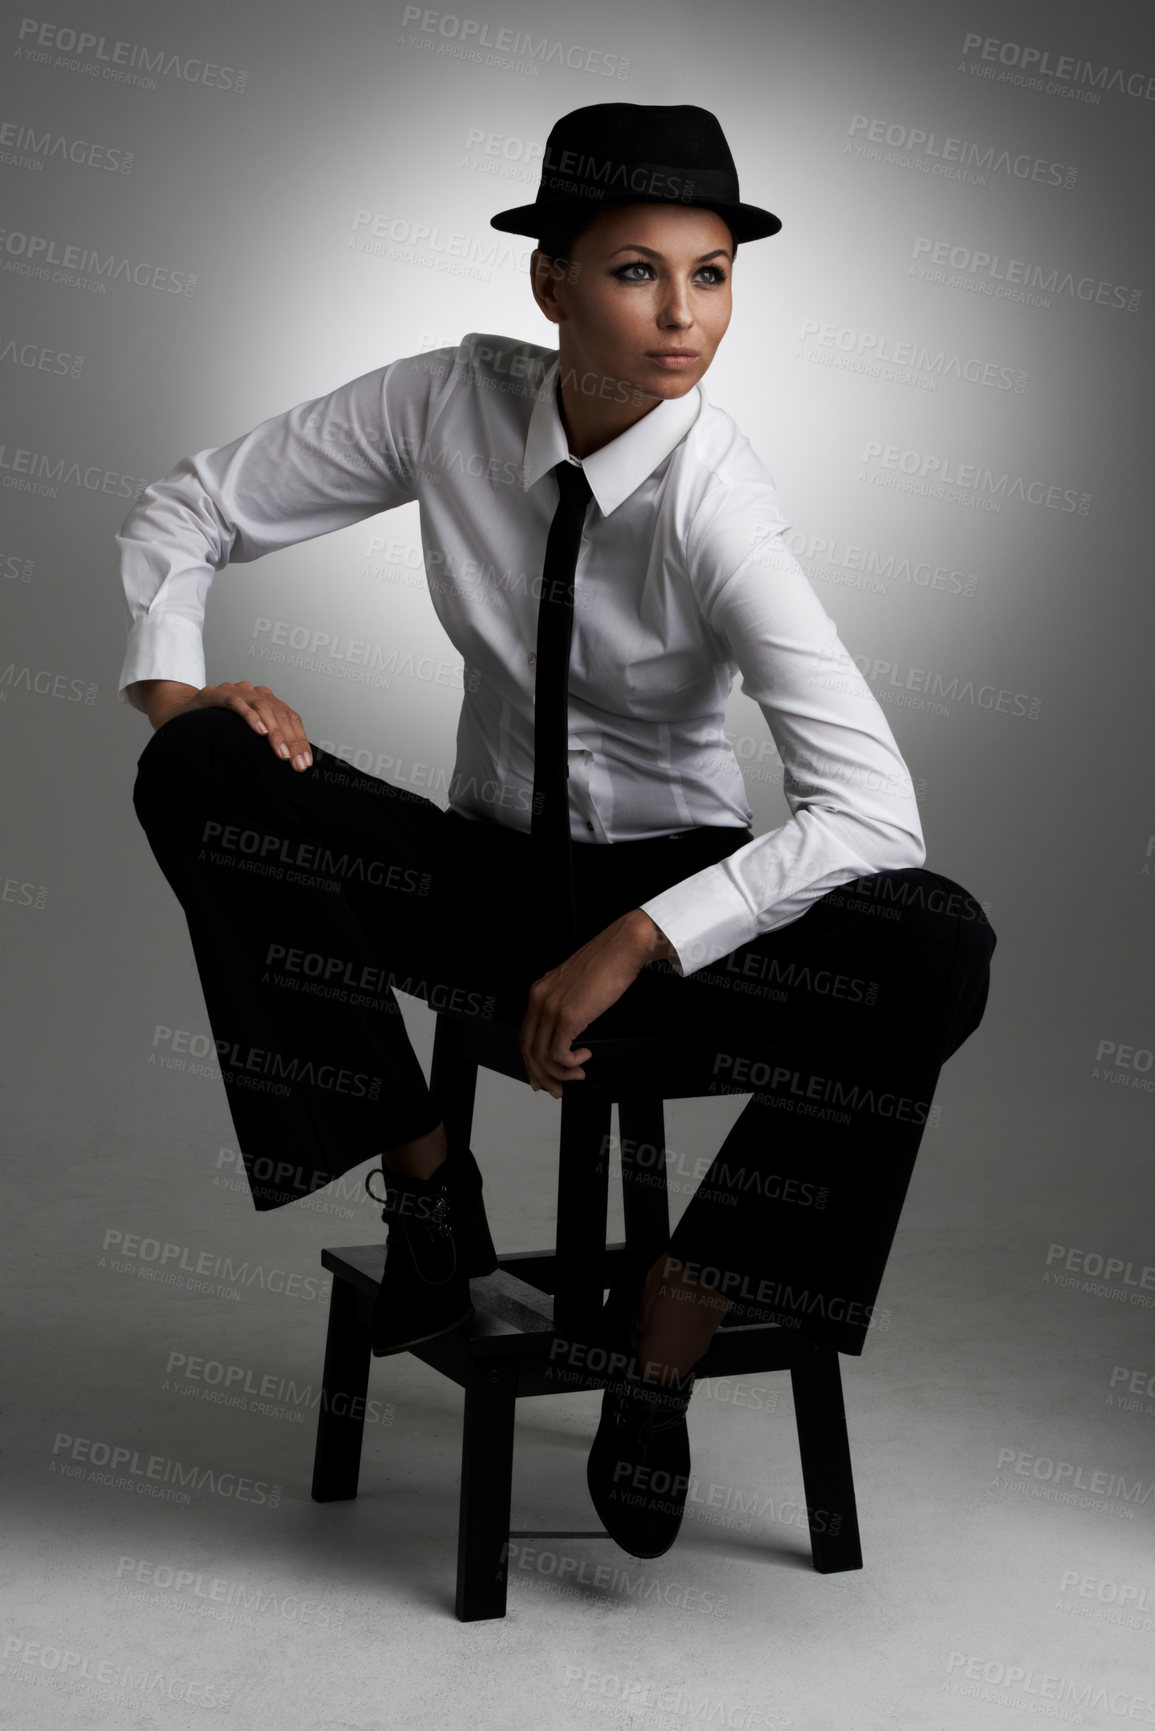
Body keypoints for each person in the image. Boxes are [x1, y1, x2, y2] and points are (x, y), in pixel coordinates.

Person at [118, 103, 996, 1563]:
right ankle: (422, 1177)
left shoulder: (719, 501)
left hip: (677, 909)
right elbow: (189, 503)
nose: (683, 316)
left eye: (712, 274)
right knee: (199, 761)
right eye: (639, 271)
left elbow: (875, 812)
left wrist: (643, 937)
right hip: (486, 881)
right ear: (551, 285)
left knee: (937, 941)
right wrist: (179, 687)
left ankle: (678, 1318)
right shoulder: (445, 405)